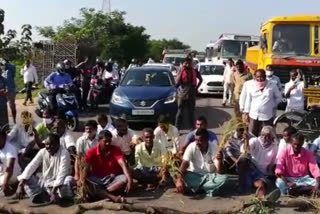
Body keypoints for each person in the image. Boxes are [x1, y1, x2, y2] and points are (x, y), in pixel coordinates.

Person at [175, 128, 236, 196]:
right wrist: (179, 179)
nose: (197, 143)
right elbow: (185, 163)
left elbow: (220, 172)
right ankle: (210, 189)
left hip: (211, 177)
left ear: (206, 140)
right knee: (183, 176)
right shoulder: (191, 146)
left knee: (225, 179)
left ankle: (197, 189)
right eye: (196, 140)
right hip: (195, 176)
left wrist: (220, 161)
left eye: (200, 140)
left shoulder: (214, 148)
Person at [16, 133, 74, 204]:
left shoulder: (64, 152)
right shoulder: (42, 151)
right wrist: (20, 184)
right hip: (46, 183)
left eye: (51, 144)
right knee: (26, 177)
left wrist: (53, 191)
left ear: (58, 143)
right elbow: (31, 166)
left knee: (68, 180)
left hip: (59, 185)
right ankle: (42, 196)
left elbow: (62, 172)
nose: (48, 147)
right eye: (46, 144)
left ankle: (64, 199)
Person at [85, 130, 132, 203]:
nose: (108, 143)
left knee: (124, 178)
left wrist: (129, 179)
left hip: (112, 178)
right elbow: (84, 167)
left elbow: (123, 164)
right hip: (97, 179)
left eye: (109, 141)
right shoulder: (91, 152)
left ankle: (101, 193)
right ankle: (112, 197)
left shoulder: (115, 149)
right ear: (99, 141)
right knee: (87, 181)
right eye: (105, 141)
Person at [239, 126, 278, 198]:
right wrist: (246, 140)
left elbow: (274, 163)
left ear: (272, 137)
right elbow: (245, 151)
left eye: (268, 136)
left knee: (261, 185)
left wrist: (273, 173)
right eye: (263, 135)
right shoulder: (255, 141)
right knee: (243, 160)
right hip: (251, 167)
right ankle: (242, 187)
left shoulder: (274, 147)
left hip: (261, 173)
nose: (264, 138)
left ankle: (261, 199)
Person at [243, 69, 282, 136]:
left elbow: (278, 97)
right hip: (253, 115)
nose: (260, 79)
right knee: (252, 134)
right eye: (258, 77)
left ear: (265, 76)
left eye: (262, 77)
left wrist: (273, 105)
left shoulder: (272, 85)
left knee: (266, 134)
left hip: (267, 116)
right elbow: (248, 99)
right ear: (254, 77)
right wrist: (246, 112)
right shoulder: (250, 85)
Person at [175, 57, 202, 130]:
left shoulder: (195, 71)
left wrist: (196, 88)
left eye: (189, 63)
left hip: (191, 93)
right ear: (183, 64)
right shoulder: (181, 71)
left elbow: (201, 79)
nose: (187, 64)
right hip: (182, 93)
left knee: (191, 112)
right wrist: (181, 72)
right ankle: (177, 129)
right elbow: (176, 84)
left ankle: (192, 128)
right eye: (186, 63)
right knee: (180, 112)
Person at [0, 127, 21, 196]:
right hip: (2, 173)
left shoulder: (10, 149)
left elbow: (10, 167)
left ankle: (10, 190)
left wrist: (5, 182)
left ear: (4, 137)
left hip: (13, 175)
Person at [0, 59, 17, 124]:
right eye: (1, 65)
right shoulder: (2, 72)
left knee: (12, 106)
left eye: (3, 64)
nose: (2, 65)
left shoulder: (11, 70)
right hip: (3, 93)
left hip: (11, 91)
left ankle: (14, 120)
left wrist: (4, 62)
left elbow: (13, 66)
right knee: (3, 106)